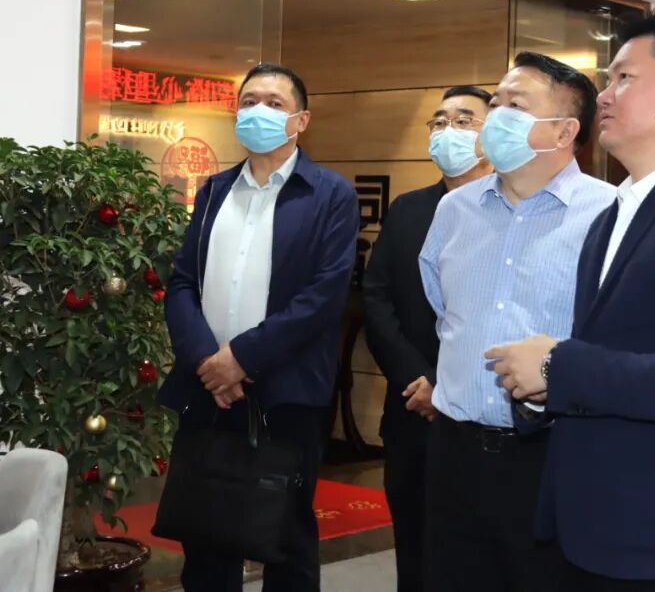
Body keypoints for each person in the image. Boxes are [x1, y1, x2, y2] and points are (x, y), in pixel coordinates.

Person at [486, 8, 655, 591]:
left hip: (653, 537)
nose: (605, 95)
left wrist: (557, 365)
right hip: (587, 524)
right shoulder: (614, 214)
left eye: (623, 78)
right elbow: (611, 351)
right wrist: (542, 387)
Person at [418, 53, 616, 592]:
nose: (497, 115)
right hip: (455, 452)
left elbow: (615, 341)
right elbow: (445, 311)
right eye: (497, 101)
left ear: (565, 131)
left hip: (552, 455)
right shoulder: (454, 210)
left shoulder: (609, 214)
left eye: (516, 105)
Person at [160, 63, 360, 592]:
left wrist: (241, 359)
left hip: (285, 391)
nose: (258, 112)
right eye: (249, 101)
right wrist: (207, 361)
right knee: (205, 531)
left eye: (274, 103)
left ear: (301, 120)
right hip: (207, 389)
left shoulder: (329, 194)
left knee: (286, 536)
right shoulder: (214, 190)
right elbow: (182, 282)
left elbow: (322, 297)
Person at [363, 84, 493, 592]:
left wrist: (450, 384)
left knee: (477, 557)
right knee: (414, 549)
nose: (446, 131)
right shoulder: (408, 209)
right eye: (438, 122)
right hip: (412, 408)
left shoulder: (511, 209)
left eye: (463, 121)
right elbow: (377, 298)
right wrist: (417, 377)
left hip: (483, 414)